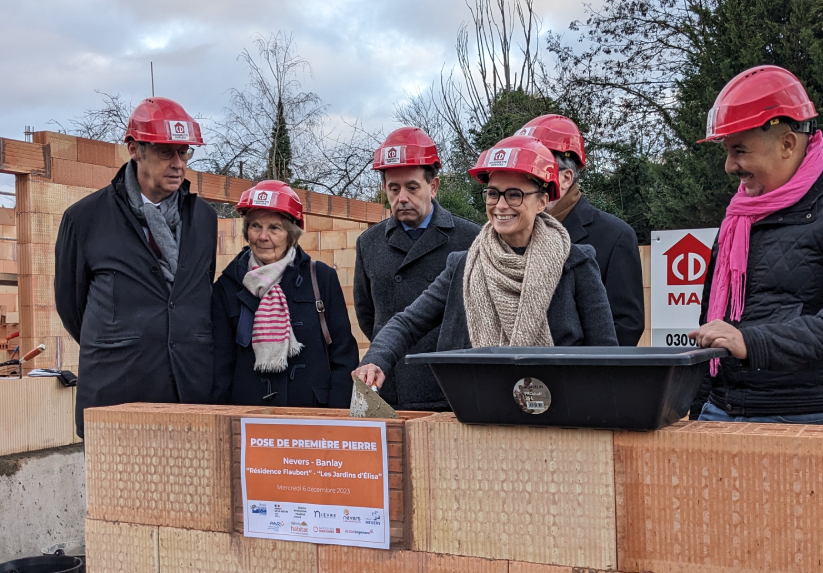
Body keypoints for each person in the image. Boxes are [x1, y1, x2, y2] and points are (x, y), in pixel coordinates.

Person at [688, 65, 823, 426]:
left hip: (815, 414)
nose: (729, 165)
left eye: (739, 151)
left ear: (787, 143)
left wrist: (751, 342)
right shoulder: (739, 214)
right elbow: (714, 324)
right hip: (725, 409)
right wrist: (698, 407)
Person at [353, 135, 618, 391]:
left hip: (560, 416)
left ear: (542, 200)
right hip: (478, 410)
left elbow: (605, 356)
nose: (501, 205)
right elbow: (407, 323)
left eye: (514, 195)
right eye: (493, 194)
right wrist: (376, 359)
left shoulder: (576, 264)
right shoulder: (463, 265)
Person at [55, 97, 217, 438]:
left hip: (191, 397)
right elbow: (72, 306)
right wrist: (125, 341)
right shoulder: (85, 219)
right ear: (134, 148)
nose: (178, 163)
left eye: (184, 151)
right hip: (117, 396)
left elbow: (197, 291)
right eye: (165, 152)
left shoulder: (204, 218)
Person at [353, 127, 480, 410]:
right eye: (393, 189)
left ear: (433, 187)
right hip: (391, 387)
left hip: (449, 388)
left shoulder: (470, 239)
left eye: (412, 187)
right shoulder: (369, 243)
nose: (402, 198)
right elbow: (367, 313)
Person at [211, 181, 357, 407]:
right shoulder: (227, 286)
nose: (263, 236)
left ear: (291, 234)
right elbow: (220, 365)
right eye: (255, 226)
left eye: (274, 228)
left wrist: (336, 416)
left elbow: (343, 355)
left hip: (313, 421)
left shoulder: (321, 278)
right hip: (249, 420)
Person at [517, 115, 645, 346]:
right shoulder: (513, 232)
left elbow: (625, 327)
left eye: (534, 169)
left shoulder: (614, 236)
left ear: (565, 178)